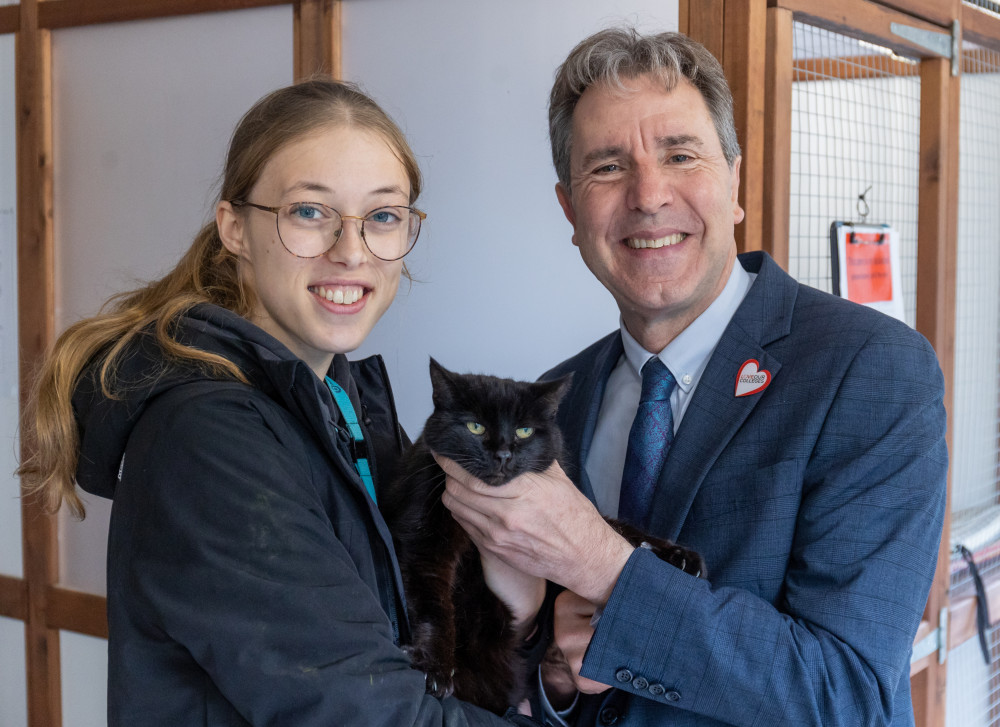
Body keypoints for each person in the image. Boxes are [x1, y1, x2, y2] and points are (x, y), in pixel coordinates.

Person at [437, 27, 948, 726]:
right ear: (570, 209)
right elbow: (559, 669)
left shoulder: (870, 369)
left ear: (734, 181)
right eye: (608, 167)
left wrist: (605, 565)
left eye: (680, 154)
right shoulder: (554, 402)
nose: (649, 195)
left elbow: (848, 695)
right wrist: (552, 681)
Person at [18, 78, 543, 727]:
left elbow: (397, 633)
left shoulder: (338, 404)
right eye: (309, 212)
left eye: (381, 216)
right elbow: (366, 711)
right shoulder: (210, 436)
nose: (350, 251)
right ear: (234, 228)